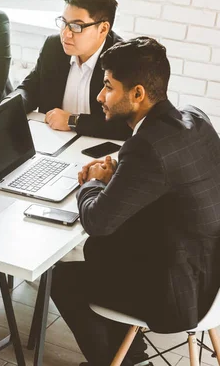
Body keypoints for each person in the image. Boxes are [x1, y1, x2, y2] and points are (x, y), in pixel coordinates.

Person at [51, 37, 220, 365]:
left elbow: (97, 222)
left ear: (138, 93)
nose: (100, 96)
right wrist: (118, 176)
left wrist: (93, 183)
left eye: (108, 86)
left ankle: (118, 361)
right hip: (212, 276)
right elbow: (172, 186)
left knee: (62, 279)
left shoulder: (146, 146)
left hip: (179, 296)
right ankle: (127, 352)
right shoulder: (194, 118)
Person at [6, 0, 131, 140]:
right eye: (64, 22)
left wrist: (73, 121)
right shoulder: (54, 47)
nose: (66, 33)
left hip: (97, 150)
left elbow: (126, 126)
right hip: (52, 141)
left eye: (76, 26)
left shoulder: (122, 59)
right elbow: (29, 88)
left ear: (103, 29)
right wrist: (7, 108)